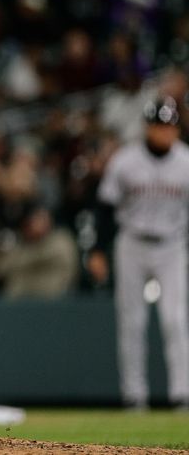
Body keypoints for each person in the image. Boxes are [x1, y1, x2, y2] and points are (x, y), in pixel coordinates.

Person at [90, 96, 189, 410]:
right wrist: (97, 250)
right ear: (148, 127)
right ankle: (134, 395)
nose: (164, 132)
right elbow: (105, 207)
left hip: (172, 245)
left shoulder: (186, 162)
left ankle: (181, 394)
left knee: (175, 320)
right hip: (131, 243)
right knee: (132, 322)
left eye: (169, 126)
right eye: (159, 125)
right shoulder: (126, 160)